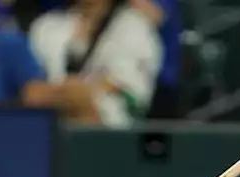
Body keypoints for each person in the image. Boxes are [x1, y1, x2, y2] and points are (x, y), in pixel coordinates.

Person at [27, 0, 161, 126]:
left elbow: (132, 97)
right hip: (46, 119)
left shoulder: (134, 28)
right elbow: (33, 89)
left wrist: (82, 94)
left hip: (109, 126)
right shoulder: (46, 26)